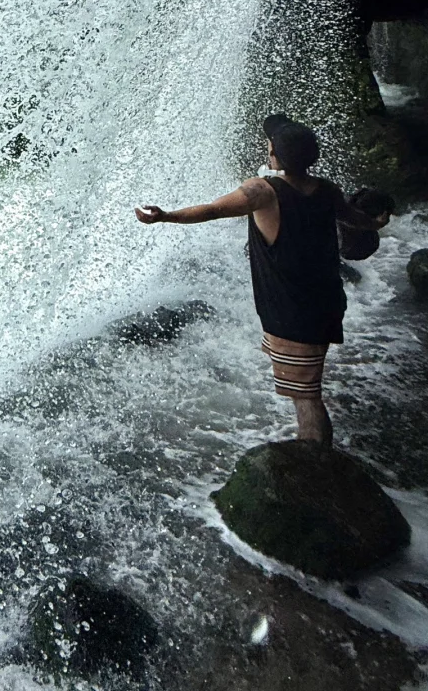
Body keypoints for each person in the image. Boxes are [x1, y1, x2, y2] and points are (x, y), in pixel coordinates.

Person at [133, 114, 346, 447]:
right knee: (305, 387)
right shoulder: (328, 190)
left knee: (307, 397)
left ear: (275, 155)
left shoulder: (263, 191)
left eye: (270, 145)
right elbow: (359, 221)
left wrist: (166, 216)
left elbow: (214, 210)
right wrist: (377, 217)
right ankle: (316, 459)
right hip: (325, 302)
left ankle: (317, 464)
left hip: (293, 311)